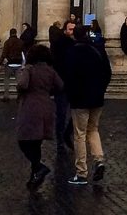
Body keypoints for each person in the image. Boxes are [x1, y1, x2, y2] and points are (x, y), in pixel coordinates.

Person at [63, 25, 112, 186]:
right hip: (97, 97)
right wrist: (101, 89)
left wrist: (71, 95)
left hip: (79, 99)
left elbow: (68, 76)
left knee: (79, 134)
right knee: (93, 129)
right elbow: (107, 73)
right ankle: (99, 160)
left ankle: (81, 172)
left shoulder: (72, 52)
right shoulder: (98, 50)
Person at [16, 44, 63, 190]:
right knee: (36, 143)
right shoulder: (50, 70)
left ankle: (39, 167)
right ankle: (34, 177)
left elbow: (22, 85)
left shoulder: (29, 69)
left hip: (31, 107)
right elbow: (60, 86)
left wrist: (21, 72)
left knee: (23, 141)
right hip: (46, 107)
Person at [51, 19, 77, 153]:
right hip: (62, 85)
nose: (72, 32)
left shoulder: (76, 44)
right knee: (60, 115)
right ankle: (60, 141)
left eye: (74, 29)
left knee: (78, 113)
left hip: (73, 85)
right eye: (70, 29)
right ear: (65, 30)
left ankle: (67, 134)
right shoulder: (59, 44)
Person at [0, 27, 24, 101]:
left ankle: (6, 96)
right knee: (19, 82)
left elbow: (4, 54)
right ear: (16, 33)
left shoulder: (7, 42)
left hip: (9, 64)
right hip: (18, 64)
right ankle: (20, 96)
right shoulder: (21, 42)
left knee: (7, 80)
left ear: (10, 33)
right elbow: (24, 53)